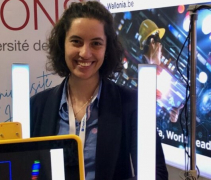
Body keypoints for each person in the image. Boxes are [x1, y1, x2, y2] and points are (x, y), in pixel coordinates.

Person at [30, 1, 168, 180]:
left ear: (107, 48)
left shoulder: (132, 104)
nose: (85, 53)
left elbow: (156, 174)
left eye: (96, 43)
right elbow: (25, 169)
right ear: (63, 44)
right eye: (76, 42)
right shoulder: (37, 105)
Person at [139, 19, 183, 123]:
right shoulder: (144, 75)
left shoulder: (153, 72)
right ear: (152, 43)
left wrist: (174, 115)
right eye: (159, 41)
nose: (161, 47)